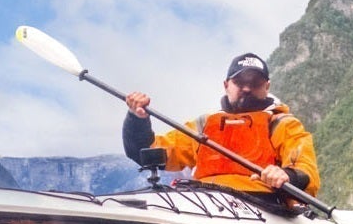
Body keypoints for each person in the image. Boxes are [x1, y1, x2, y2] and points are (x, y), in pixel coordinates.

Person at [122, 51, 320, 202]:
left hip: (263, 202)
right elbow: (146, 152)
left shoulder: (282, 124)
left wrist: (287, 175)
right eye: (239, 81)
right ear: (226, 85)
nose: (247, 88)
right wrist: (136, 118)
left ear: (266, 87)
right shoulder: (203, 125)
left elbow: (306, 170)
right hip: (204, 199)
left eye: (256, 83)